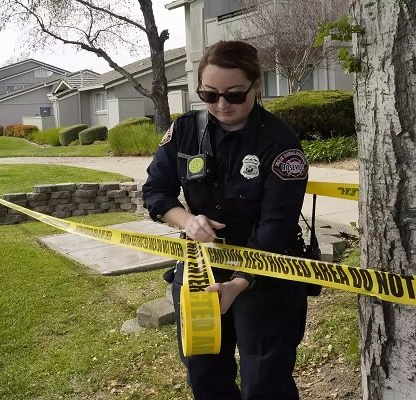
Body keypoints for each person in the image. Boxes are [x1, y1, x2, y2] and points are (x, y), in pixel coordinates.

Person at [142, 40, 309, 400]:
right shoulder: (184, 130)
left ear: (257, 86)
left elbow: (276, 227)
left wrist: (239, 282)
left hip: (266, 275)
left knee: (265, 383)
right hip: (201, 270)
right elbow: (156, 192)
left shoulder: (281, 144)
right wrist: (186, 220)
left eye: (234, 95)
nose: (221, 105)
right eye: (209, 94)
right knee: (205, 376)